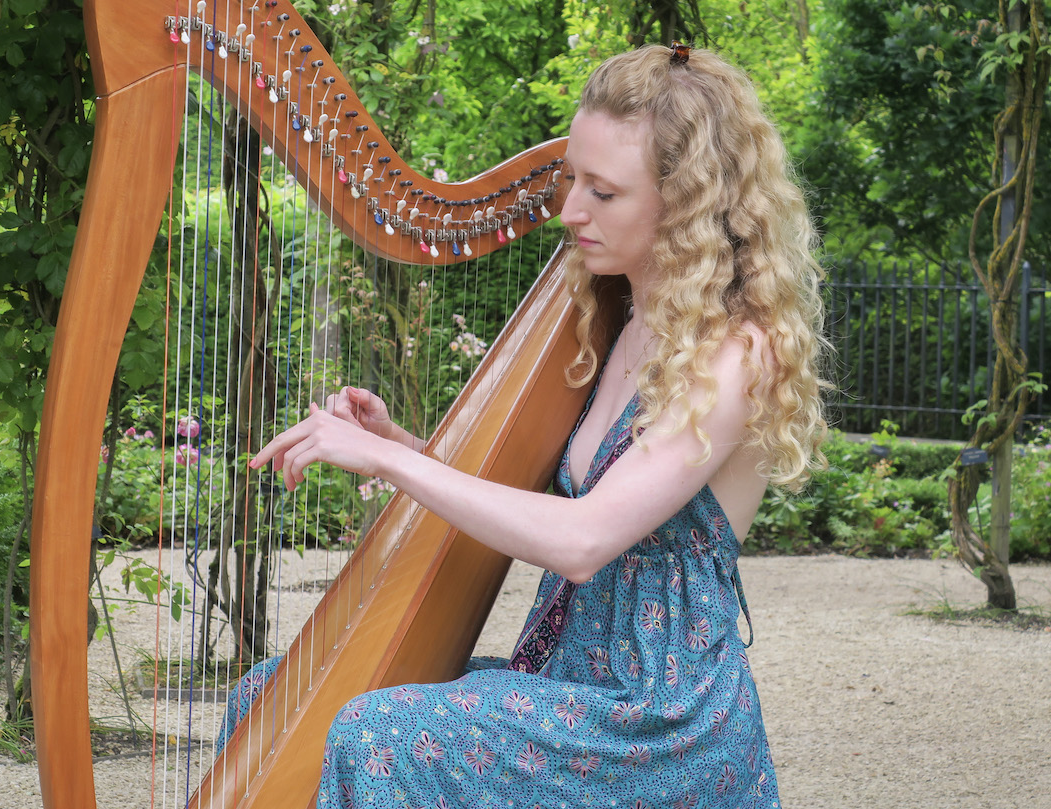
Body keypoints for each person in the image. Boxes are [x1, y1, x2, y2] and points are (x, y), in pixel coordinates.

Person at [229, 43, 827, 808]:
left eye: (603, 192)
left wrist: (395, 469)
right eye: (571, 179)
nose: (570, 208)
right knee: (267, 694)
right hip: (566, 686)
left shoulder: (735, 352)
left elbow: (580, 539)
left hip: (651, 718)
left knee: (375, 732)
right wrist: (402, 445)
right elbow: (540, 499)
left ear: (686, 203)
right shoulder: (619, 319)